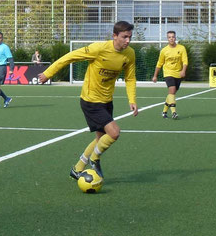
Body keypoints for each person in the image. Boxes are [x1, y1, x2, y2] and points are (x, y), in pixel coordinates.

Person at [38, 21, 138, 180]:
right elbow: (70, 57)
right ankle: (95, 159)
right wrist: (48, 73)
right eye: (124, 37)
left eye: (130, 37)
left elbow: (130, 78)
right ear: (114, 36)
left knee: (100, 139)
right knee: (114, 133)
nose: (128, 41)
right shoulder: (98, 49)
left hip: (106, 101)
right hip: (91, 100)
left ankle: (77, 169)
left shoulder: (129, 54)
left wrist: (132, 99)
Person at [152, 30, 188, 120]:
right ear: (167, 39)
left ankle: (164, 112)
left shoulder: (181, 48)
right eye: (169, 37)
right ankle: (174, 112)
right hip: (168, 73)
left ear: (175, 38)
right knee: (172, 90)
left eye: (173, 37)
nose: (171, 39)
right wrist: (155, 75)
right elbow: (159, 63)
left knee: (172, 94)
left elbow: (185, 61)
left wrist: (183, 70)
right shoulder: (164, 50)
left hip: (178, 73)